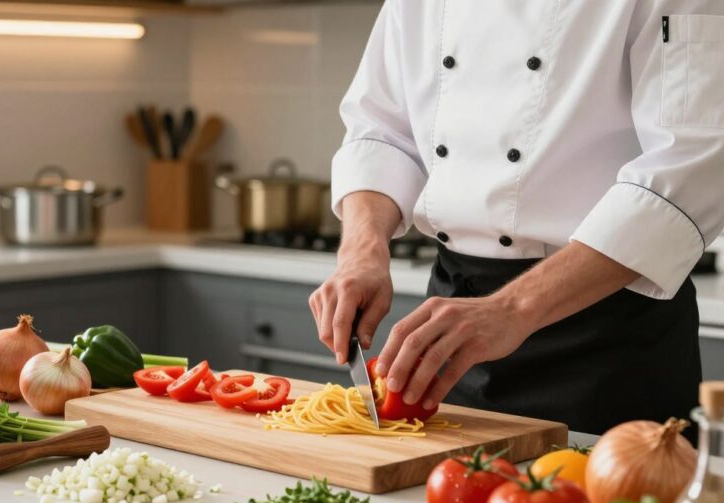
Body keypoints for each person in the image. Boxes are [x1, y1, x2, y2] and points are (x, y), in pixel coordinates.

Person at [310, 0, 724, 434]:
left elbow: (693, 164)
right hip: (455, 330)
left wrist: (511, 309)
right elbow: (380, 131)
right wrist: (362, 251)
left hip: (606, 338)